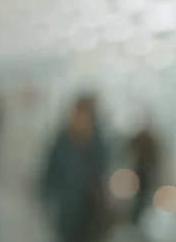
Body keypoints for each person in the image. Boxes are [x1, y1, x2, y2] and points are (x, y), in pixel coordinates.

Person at [41, 94, 110, 242]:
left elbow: (102, 171)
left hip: (89, 208)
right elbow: (50, 169)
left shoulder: (97, 143)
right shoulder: (63, 140)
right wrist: (48, 194)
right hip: (67, 205)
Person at [128, 115, 161, 224]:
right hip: (138, 171)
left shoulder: (151, 140)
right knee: (137, 196)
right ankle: (135, 216)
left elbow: (156, 157)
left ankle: (141, 217)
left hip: (146, 172)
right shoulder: (140, 137)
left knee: (144, 196)